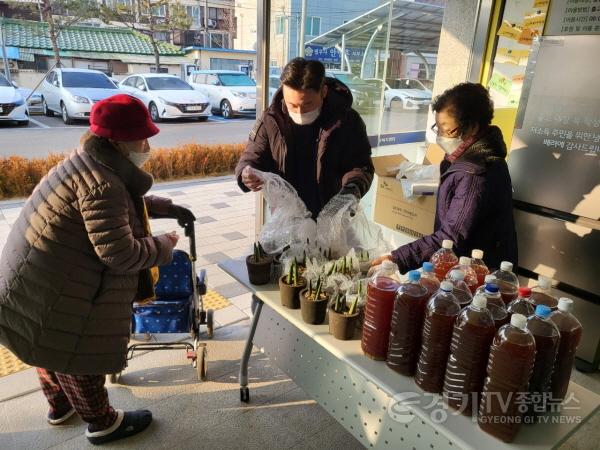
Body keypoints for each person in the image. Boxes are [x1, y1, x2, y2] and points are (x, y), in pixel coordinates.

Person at [0, 94, 195, 445]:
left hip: (35, 281)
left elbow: (117, 206)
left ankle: (60, 407)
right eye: (142, 138)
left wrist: (163, 206)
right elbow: (120, 254)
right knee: (78, 355)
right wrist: (164, 246)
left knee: (46, 345)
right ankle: (102, 422)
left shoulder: (89, 163)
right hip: (60, 287)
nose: (147, 145)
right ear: (118, 142)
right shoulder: (103, 183)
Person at [373, 82, 518, 272]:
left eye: (447, 129)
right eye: (438, 128)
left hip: (478, 275)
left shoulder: (475, 173)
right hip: (464, 266)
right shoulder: (462, 158)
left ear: (472, 127)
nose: (440, 136)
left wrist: (397, 258)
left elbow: (451, 237)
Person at [235, 57, 374, 218]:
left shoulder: (347, 120)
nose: (299, 112)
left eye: (307, 104)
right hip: (287, 218)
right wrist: (246, 173)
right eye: (292, 105)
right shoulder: (271, 119)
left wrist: (350, 192)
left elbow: (361, 165)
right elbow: (252, 156)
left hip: (333, 216)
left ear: (323, 92)